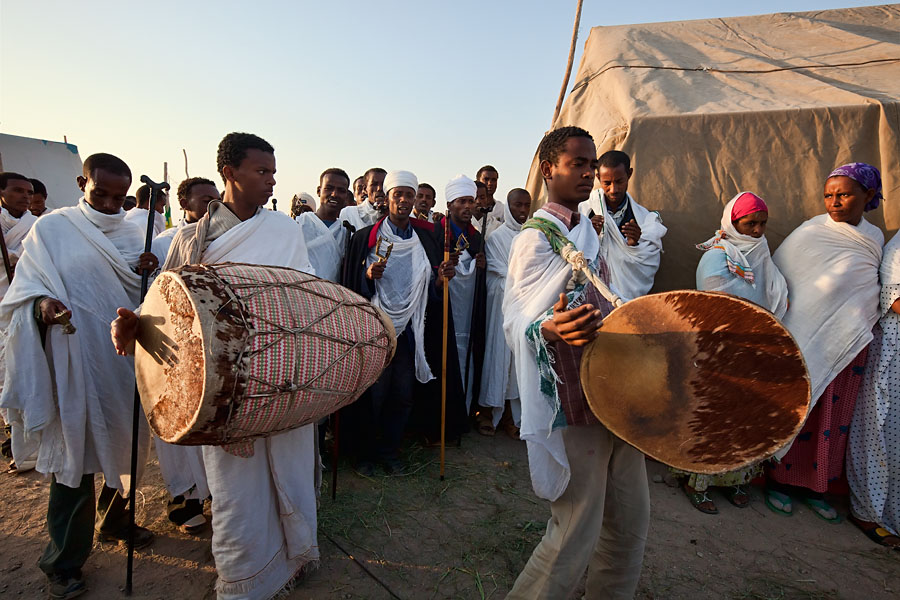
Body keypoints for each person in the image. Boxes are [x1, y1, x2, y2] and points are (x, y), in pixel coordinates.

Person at [112, 132, 317, 599]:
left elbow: (308, 300)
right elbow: (167, 312)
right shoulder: (189, 240)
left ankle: (293, 559)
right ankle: (246, 580)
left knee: (291, 466)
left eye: (273, 172)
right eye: (261, 171)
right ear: (230, 173)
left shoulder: (285, 230)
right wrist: (133, 328)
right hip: (224, 390)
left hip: (282, 377)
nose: (271, 181)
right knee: (234, 488)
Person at [0, 153, 159, 599]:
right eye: (100, 194)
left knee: (127, 445)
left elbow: (151, 298)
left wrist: (148, 271)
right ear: (80, 182)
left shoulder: (136, 232)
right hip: (74, 356)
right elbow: (25, 293)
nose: (110, 205)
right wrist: (43, 308)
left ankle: (116, 522)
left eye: (119, 198)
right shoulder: (53, 229)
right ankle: (63, 560)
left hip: (125, 361)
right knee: (75, 456)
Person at [504, 127, 649, 599]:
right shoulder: (534, 238)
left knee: (630, 521)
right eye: (578, 164)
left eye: (592, 165)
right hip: (573, 395)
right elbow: (517, 317)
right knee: (576, 527)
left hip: (617, 386)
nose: (588, 173)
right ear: (549, 169)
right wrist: (550, 326)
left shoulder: (588, 227)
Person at [766, 162, 884, 522]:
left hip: (848, 343)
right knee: (800, 408)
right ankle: (780, 483)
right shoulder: (810, 232)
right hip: (805, 337)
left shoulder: (876, 238)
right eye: (829, 195)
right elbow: (779, 278)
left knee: (833, 417)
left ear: (868, 196)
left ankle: (818, 488)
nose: (834, 202)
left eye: (844, 194)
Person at [674, 191, 788, 514]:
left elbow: (771, 290)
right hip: (721, 350)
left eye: (762, 224)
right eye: (750, 223)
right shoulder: (716, 256)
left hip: (756, 348)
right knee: (714, 417)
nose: (756, 230)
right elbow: (715, 304)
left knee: (748, 418)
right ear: (733, 222)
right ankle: (698, 483)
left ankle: (738, 479)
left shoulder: (760, 252)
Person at [341, 170, 459, 474]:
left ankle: (391, 452)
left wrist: (440, 280)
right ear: (387, 198)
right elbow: (352, 284)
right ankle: (365, 455)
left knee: (402, 395)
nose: (404, 200)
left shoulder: (424, 238)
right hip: (377, 328)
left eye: (409, 194)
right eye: (399, 194)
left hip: (410, 332)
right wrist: (368, 277)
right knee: (374, 395)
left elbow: (428, 286)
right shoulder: (366, 237)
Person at [147, 175, 219, 534]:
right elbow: (154, 294)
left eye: (215, 199)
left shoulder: (226, 237)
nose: (211, 206)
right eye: (203, 200)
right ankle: (185, 499)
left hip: (216, 346)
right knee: (179, 423)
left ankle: (216, 498)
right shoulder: (163, 243)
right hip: (177, 347)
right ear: (184, 205)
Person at [847, 221, 900, 548]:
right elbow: (894, 299)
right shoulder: (898, 249)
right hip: (894, 355)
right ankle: (867, 512)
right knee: (881, 433)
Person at [475, 188, 530, 438]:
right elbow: (496, 273)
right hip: (500, 308)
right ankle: (487, 411)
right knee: (496, 357)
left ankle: (511, 415)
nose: (522, 211)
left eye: (526, 206)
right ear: (508, 207)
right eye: (518, 205)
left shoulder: (533, 236)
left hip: (525, 309)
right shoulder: (497, 238)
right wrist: (518, 283)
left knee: (518, 364)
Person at [577, 150, 666, 301]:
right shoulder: (584, 212)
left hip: (627, 304)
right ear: (598, 178)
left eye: (619, 181)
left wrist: (634, 245)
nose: (614, 189)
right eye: (607, 183)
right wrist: (590, 234)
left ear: (629, 174)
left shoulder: (644, 219)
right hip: (591, 299)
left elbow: (648, 260)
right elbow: (572, 252)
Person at [0, 172, 39, 473]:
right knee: (5, 378)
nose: (25, 196)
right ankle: (15, 441)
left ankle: (31, 446)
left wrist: (16, 258)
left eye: (28, 191)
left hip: (25, 306)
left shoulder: (37, 227)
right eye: (17, 191)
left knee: (27, 373)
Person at [441, 175, 487, 415]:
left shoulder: (477, 239)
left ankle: (463, 414)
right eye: (461, 201)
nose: (468, 206)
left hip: (468, 315)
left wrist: (482, 267)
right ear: (449, 205)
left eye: (471, 201)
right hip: (442, 315)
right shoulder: (436, 235)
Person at [296, 168, 351, 282]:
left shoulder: (346, 232)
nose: (334, 194)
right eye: (329, 188)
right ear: (318, 191)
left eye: (341, 190)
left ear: (346, 195)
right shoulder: (300, 224)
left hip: (332, 296)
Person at [152, 176, 220, 265]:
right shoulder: (165, 242)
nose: (216, 206)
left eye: (219, 201)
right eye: (207, 201)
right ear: (184, 204)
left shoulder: (227, 236)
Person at [339, 167, 385, 234]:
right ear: (365, 189)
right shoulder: (349, 213)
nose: (379, 188)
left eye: (383, 185)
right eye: (374, 184)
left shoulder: (394, 215)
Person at [475, 165, 504, 236]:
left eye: (494, 180)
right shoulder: (468, 211)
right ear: (478, 181)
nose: (490, 183)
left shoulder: (502, 209)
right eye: (486, 179)